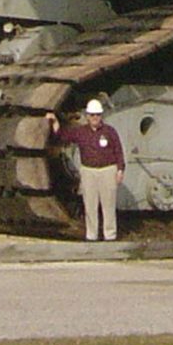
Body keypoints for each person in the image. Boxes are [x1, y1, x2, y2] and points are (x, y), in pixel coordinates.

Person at [47, 97, 126, 241]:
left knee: (108, 205)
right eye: (92, 115)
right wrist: (54, 122)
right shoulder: (81, 132)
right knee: (90, 205)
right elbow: (62, 136)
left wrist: (120, 169)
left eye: (97, 115)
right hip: (89, 171)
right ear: (87, 116)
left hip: (107, 170)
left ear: (101, 116)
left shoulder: (110, 132)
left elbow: (118, 151)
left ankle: (110, 235)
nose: (95, 117)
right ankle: (91, 236)